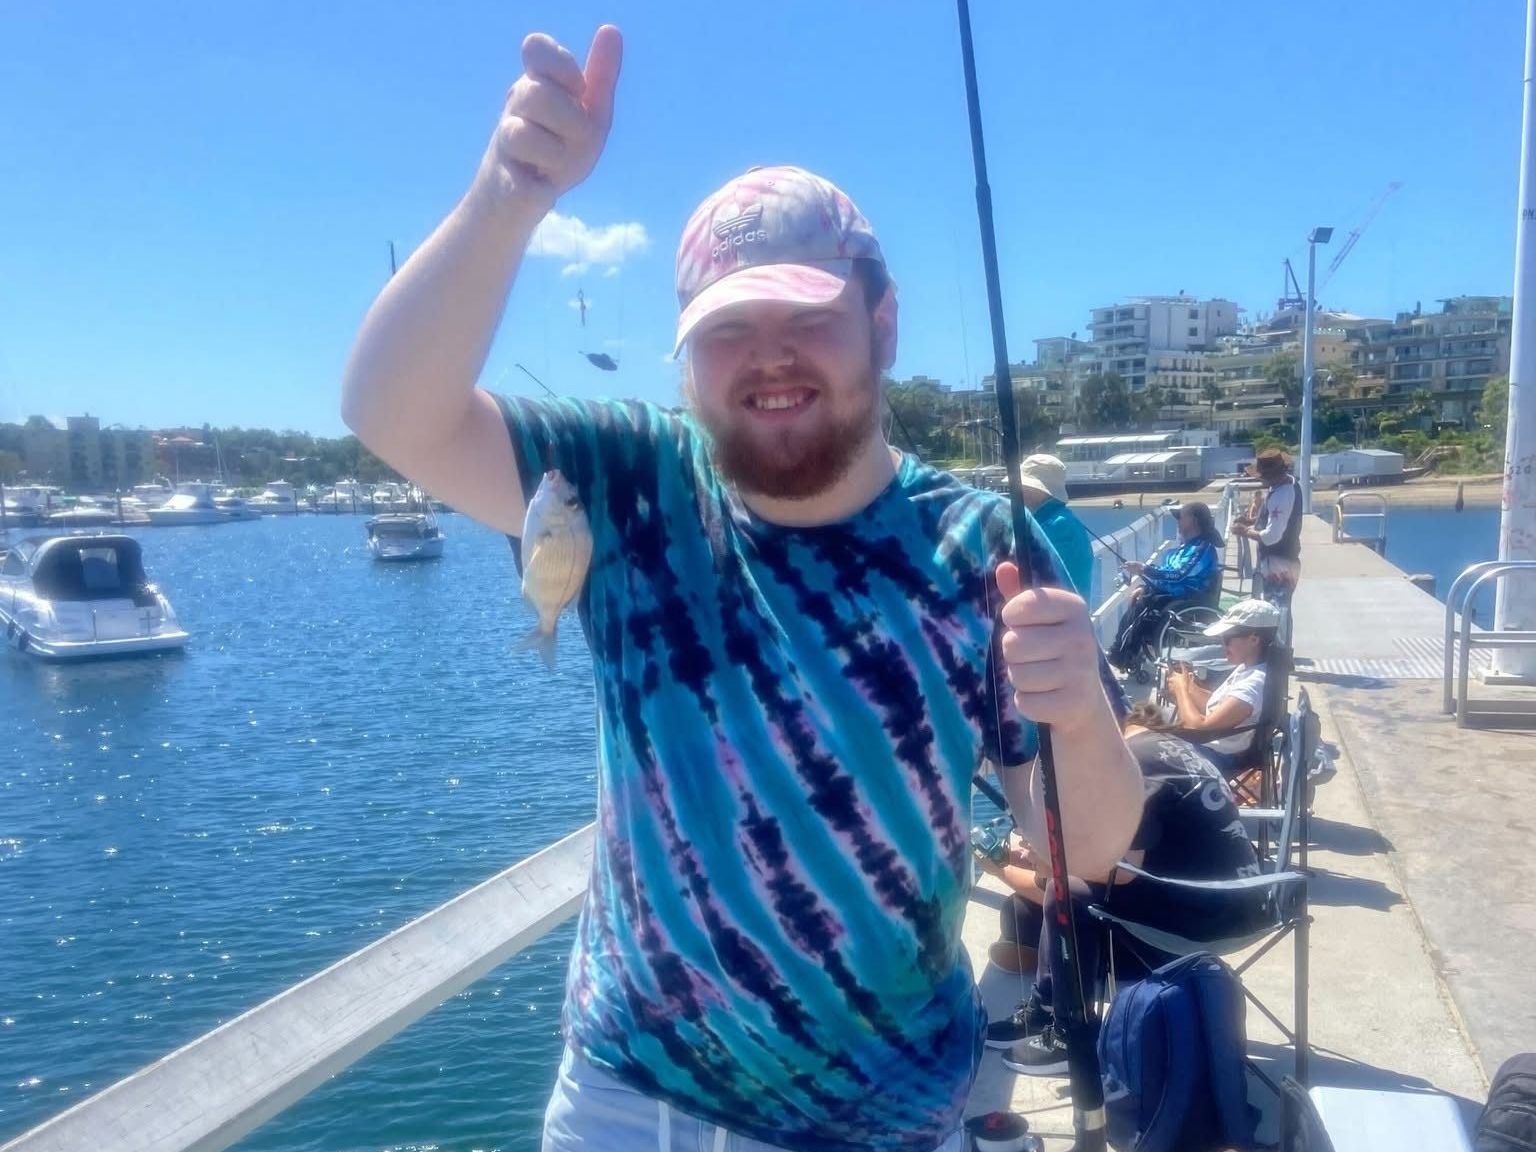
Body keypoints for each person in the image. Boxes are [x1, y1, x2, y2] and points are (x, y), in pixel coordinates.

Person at [339, 26, 1144, 1152]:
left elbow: (1088, 853)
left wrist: (1082, 717)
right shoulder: (623, 480)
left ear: (884, 323)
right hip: (625, 1098)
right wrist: (509, 194)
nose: (770, 356)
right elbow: (392, 412)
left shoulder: (985, 546)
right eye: (729, 329)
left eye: (809, 315)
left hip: (883, 1116)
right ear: (685, 357)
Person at [978, 720, 1264, 1077]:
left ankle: (1072, 1034)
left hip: (1207, 917)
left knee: (1067, 888)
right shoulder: (1161, 746)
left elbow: (1122, 871)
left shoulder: (1132, 768)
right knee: (1031, 902)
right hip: (1248, 900)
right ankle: (1047, 1004)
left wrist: (1022, 865)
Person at [1161, 598, 1282, 774]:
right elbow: (1216, 708)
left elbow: (1197, 728)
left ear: (1254, 639)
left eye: (1227, 639)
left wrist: (1180, 691)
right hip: (1214, 747)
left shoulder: (1253, 684)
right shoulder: (1249, 668)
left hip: (1218, 757)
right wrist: (1188, 685)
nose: (1222, 645)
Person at [1106, 502, 1224, 672]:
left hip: (1190, 598)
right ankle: (1126, 651)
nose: (1177, 521)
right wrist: (1148, 584)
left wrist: (1144, 569)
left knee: (1144, 605)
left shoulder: (1201, 548)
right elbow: (1169, 573)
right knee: (1142, 596)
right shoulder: (1186, 547)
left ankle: (1121, 653)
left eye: (1181, 517)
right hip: (1176, 594)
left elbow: (1178, 575)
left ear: (1194, 521)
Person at [1017, 453, 1094, 600]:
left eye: (1023, 488)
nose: (1019, 493)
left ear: (1040, 490)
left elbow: (1031, 571)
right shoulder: (1060, 519)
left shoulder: (1058, 525)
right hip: (1061, 616)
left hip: (1055, 617)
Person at [1231, 448, 1301, 609]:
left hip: (1278, 563)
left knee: (1276, 610)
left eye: (1262, 475)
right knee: (1279, 609)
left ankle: (1277, 635)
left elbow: (1272, 536)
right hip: (1286, 558)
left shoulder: (1281, 495)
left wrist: (1245, 531)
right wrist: (1251, 521)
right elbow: (1280, 519)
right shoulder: (1289, 484)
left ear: (1270, 475)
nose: (1261, 479)